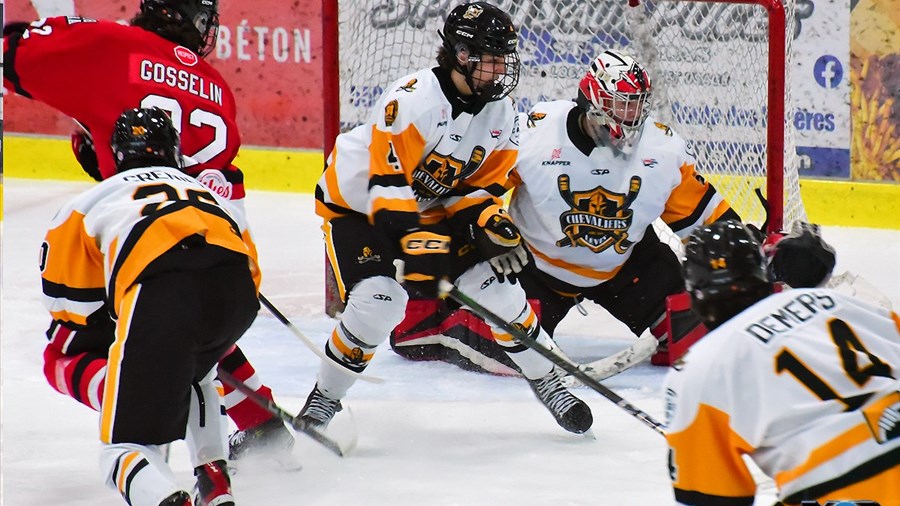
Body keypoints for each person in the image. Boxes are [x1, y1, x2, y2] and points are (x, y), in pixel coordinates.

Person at [391, 49, 836, 373]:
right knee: (506, 356)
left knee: (707, 344)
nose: (630, 116)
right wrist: (483, 225)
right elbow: (475, 195)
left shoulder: (661, 149)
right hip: (536, 267)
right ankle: (437, 321)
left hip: (630, 265)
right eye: (621, 105)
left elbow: (704, 219)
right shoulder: (533, 135)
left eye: (636, 105)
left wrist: (759, 251)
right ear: (592, 100)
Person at [3, 0, 293, 458]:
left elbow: (15, 53)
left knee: (71, 350)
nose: (207, 30)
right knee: (195, 325)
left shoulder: (114, 45)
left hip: (143, 229)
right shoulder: (215, 85)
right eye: (203, 20)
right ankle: (259, 421)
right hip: (216, 232)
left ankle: (136, 408)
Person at [308, 2, 593, 435]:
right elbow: (387, 184)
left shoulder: (500, 114)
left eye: (505, 57)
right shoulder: (413, 99)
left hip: (426, 210)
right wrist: (417, 244)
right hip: (362, 208)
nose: (502, 68)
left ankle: (550, 383)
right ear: (463, 55)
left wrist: (489, 225)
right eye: (493, 57)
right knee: (379, 302)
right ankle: (324, 400)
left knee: (500, 291)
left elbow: (479, 190)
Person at [40, 107, 260, 506]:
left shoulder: (90, 201)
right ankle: (215, 486)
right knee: (198, 370)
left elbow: (70, 309)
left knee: (121, 452)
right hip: (237, 295)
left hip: (160, 295)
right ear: (174, 152)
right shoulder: (210, 196)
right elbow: (251, 273)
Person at [664, 220, 899, 505]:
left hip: (853, 490)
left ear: (696, 296)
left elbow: (711, 499)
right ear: (763, 274)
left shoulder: (699, 367)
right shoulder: (827, 301)